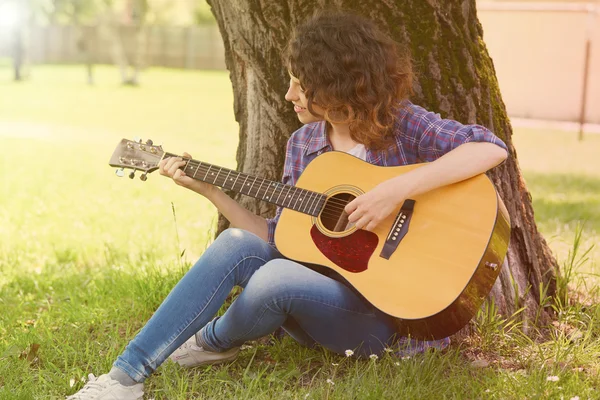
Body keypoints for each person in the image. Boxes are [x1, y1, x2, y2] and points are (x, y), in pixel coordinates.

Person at [67, 11, 508, 400]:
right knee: (235, 243)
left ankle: (214, 340)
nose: (288, 94)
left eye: (301, 83)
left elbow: (489, 149)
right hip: (322, 301)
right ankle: (125, 377)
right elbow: (279, 238)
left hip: (392, 318)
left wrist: (395, 191)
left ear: (336, 86)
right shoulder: (304, 146)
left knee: (275, 277)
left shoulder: (401, 123)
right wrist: (211, 193)